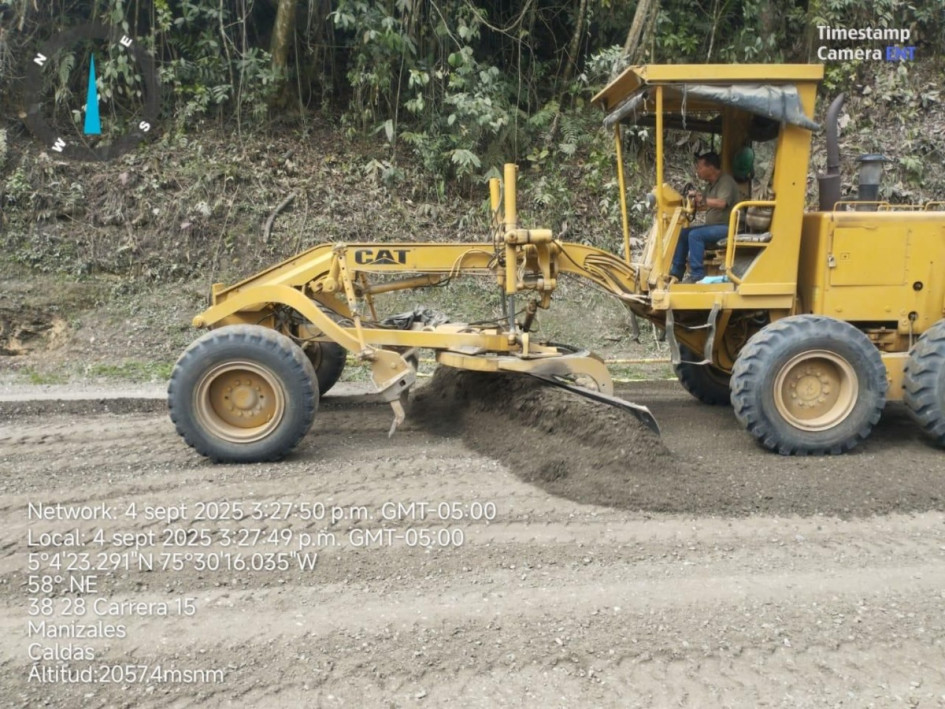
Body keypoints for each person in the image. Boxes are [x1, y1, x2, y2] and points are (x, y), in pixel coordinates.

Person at [670, 152, 741, 283]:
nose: (698, 171)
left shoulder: (726, 181)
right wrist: (694, 200)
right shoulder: (710, 185)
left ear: (711, 167)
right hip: (714, 227)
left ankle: (697, 274)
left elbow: (722, 203)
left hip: (728, 227)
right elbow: (704, 204)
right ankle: (676, 272)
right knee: (684, 233)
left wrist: (702, 199)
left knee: (696, 235)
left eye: (700, 167)